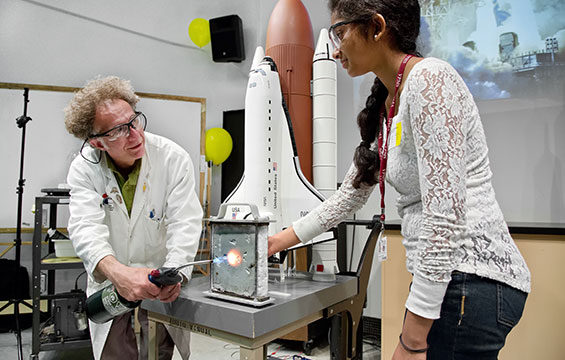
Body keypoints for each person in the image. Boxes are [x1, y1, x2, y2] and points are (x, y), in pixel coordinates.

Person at [268, 0, 531, 359]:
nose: (334, 47)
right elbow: (349, 197)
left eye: (339, 32)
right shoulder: (389, 103)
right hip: (448, 280)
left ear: (376, 27)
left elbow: (445, 216)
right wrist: (279, 240)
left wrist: (412, 338)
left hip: (470, 279)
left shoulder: (429, 80)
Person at [64, 76, 202, 360]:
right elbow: (85, 228)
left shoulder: (172, 159)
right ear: (98, 143)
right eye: (119, 131)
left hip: (161, 278)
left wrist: (175, 272)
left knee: (158, 352)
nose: (136, 136)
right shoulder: (84, 169)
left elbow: (185, 222)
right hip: (110, 282)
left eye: (135, 121)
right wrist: (117, 272)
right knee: (115, 354)